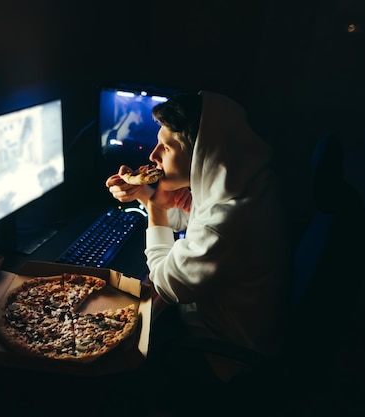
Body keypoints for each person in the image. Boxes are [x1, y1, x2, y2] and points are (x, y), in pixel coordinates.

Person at [105, 91, 292, 386]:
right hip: (233, 324)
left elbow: (167, 282)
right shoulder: (246, 185)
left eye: (166, 147)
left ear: (202, 152)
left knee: (115, 353)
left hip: (223, 354)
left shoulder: (231, 221)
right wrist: (145, 194)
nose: (153, 156)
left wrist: (155, 207)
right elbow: (191, 222)